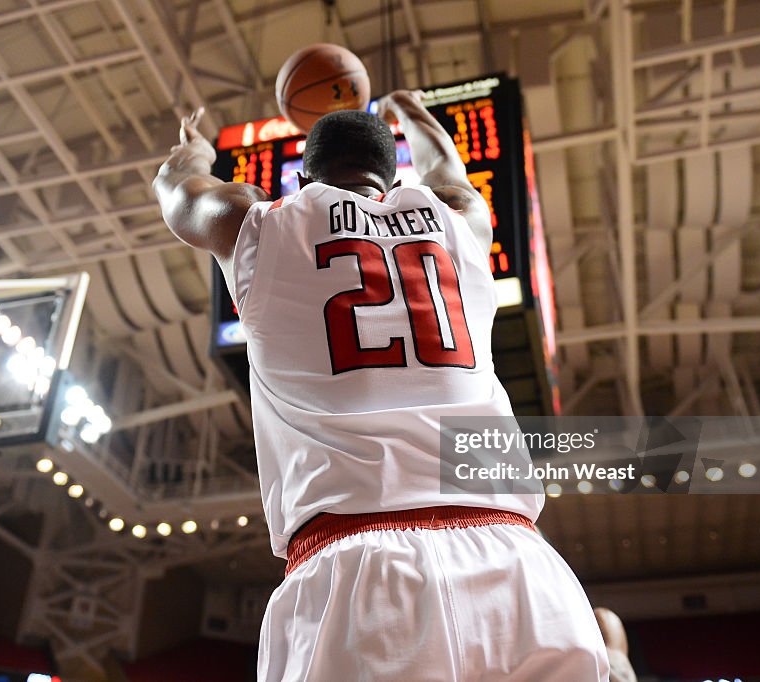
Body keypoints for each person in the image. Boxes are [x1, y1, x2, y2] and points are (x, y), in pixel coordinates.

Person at [154, 91, 609, 681]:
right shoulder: (459, 220)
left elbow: (178, 191)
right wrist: (413, 112)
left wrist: (192, 151)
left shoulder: (258, 224)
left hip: (358, 564)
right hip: (516, 566)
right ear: (393, 175)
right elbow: (448, 168)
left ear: (306, 174)